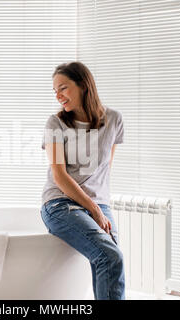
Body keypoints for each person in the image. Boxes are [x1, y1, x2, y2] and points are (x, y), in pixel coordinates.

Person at [40, 61, 125, 300]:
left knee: (110, 259)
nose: (58, 95)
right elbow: (59, 175)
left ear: (83, 85)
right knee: (110, 256)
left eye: (63, 88)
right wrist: (95, 210)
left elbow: (105, 168)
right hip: (60, 204)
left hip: (98, 204)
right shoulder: (55, 123)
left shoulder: (114, 120)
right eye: (55, 90)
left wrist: (99, 208)